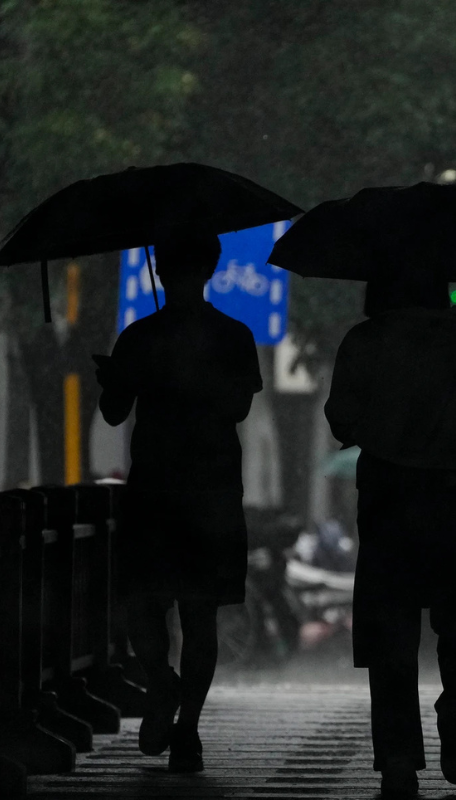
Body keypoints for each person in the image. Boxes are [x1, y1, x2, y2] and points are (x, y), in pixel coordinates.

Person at [324, 269, 456, 799]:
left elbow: (341, 420)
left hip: (390, 502)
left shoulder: (365, 340)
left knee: (391, 633)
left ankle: (398, 760)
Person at [96, 231, 262, 772]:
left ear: (162, 270)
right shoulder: (234, 336)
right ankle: (185, 722)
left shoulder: (140, 338)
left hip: (156, 491)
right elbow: (238, 407)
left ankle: (163, 688)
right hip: (211, 490)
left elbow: (115, 412)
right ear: (210, 268)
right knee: (199, 613)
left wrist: (126, 378)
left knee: (144, 604)